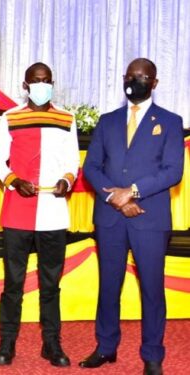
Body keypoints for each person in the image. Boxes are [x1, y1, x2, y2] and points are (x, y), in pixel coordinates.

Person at [81, 58, 184, 375]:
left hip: (149, 218)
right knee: (108, 286)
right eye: (130, 76)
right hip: (111, 216)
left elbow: (173, 171)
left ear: (154, 82)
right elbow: (91, 168)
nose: (135, 80)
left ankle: (152, 355)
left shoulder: (169, 121)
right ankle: (106, 346)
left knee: (152, 288)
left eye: (142, 76)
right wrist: (116, 197)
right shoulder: (108, 121)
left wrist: (134, 191)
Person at [0, 62, 80, 367]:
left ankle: (51, 344)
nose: (41, 85)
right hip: (18, 209)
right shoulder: (10, 118)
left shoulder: (66, 118)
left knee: (51, 283)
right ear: (25, 86)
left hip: (53, 210)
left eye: (46, 80)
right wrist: (14, 180)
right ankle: (7, 342)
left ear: (52, 83)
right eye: (36, 81)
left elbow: (72, 160)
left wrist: (66, 181)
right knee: (13, 283)